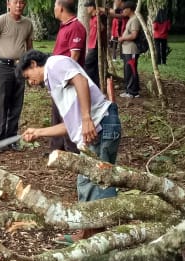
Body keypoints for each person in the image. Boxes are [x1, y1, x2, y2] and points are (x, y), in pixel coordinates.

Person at [19, 49, 121, 240]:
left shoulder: (54, 65)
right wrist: (39, 132)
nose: (30, 82)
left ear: (33, 64)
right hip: (94, 128)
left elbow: (80, 80)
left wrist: (86, 118)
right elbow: (70, 124)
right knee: (85, 181)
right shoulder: (54, 79)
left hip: (101, 124)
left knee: (99, 183)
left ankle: (100, 239)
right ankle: (86, 232)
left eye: (28, 76)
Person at [0, 0, 34, 147]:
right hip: (3, 68)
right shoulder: (1, 21)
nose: (19, 5)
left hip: (20, 68)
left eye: (22, 2)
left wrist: (31, 68)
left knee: (16, 104)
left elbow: (29, 47)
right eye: (16, 2)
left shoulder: (27, 23)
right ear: (8, 4)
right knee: (1, 104)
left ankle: (11, 138)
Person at [48, 0, 86, 153]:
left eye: (55, 6)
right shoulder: (64, 26)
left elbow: (74, 56)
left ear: (61, 8)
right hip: (57, 79)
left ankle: (72, 150)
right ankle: (56, 148)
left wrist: (66, 79)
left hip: (67, 79)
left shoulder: (76, 27)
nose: (54, 9)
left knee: (68, 115)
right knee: (56, 112)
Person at [116, 6, 141, 98]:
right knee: (128, 70)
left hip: (132, 50)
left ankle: (132, 92)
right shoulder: (131, 19)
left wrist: (122, 38)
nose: (123, 11)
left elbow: (134, 35)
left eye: (124, 9)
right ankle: (130, 90)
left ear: (129, 9)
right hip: (127, 50)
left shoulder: (134, 19)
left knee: (131, 70)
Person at [82, 0, 100, 87]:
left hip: (95, 45)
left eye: (88, 7)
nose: (87, 9)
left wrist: (99, 17)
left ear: (92, 7)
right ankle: (95, 84)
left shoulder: (98, 17)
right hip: (90, 44)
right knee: (93, 66)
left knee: (87, 64)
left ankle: (87, 83)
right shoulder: (92, 18)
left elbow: (102, 29)